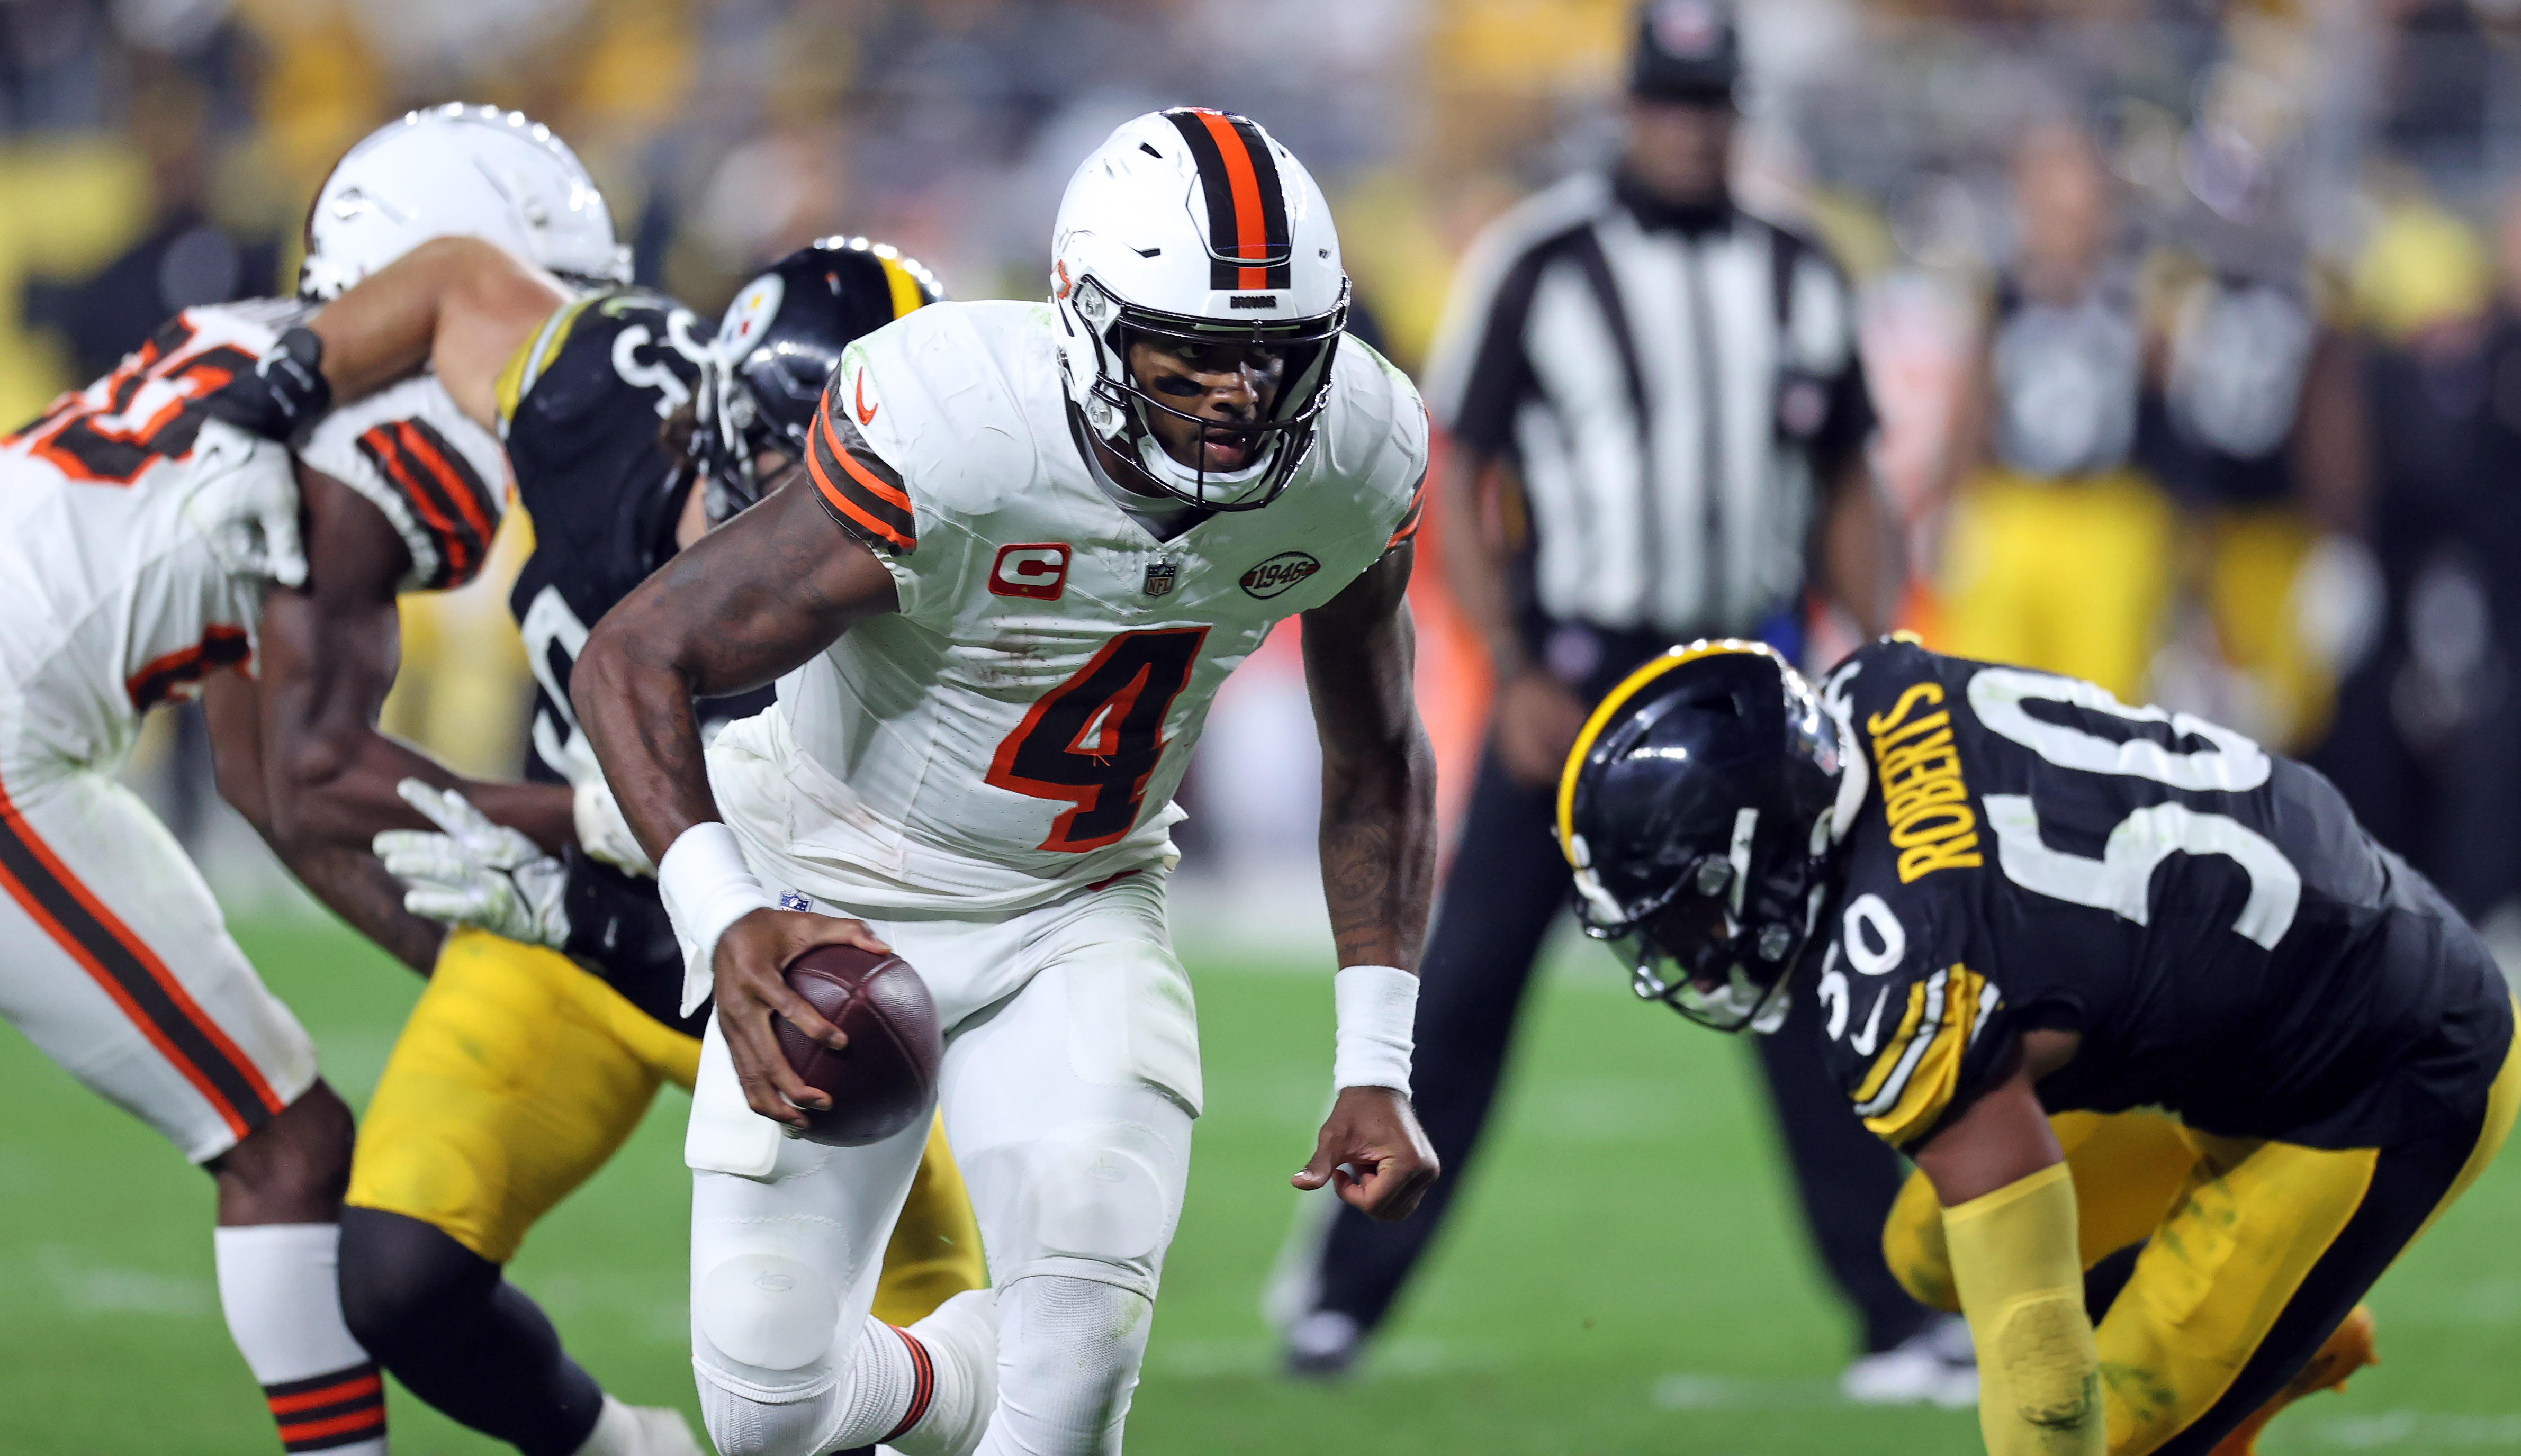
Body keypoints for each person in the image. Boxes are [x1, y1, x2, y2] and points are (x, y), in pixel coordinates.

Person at [569, 108, 1440, 1456]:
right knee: (766, 1413)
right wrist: (727, 911)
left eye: (1272, 359)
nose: (1237, 398)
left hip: (1074, 907)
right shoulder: (958, 430)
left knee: (1075, 1374)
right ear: (1084, 320)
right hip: (829, 887)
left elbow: (1377, 752)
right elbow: (638, 653)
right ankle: (986, 1374)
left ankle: (1041, 1378)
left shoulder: (1350, 462)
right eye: (1193, 355)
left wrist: (1375, 1057)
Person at [215, 108, 987, 1456]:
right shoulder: (599, 396)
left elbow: (770, 846)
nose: (824, 533)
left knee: (946, 1371)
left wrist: (549, 842)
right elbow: (455, 275)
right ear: (712, 420)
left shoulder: (921, 613)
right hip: (572, 935)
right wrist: (267, 401)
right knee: (398, 1275)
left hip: (783, 962)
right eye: (809, 479)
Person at [1275, 0, 1938, 1397]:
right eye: (1669, 103)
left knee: (1807, 999)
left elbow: (1846, 486)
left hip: (1743, 689)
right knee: (1463, 991)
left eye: (1711, 105)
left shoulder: (1802, 269)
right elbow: (1461, 479)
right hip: (1575, 679)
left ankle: (1894, 1313)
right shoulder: (1542, 260)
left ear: (1735, 113)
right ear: (1629, 110)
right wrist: (1508, 667)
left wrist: (1873, 657)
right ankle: (1341, 1288)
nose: (1690, 128)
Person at [1557, 634, 2514, 1455]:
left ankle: (2266, 1329)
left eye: (1686, 913)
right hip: (2301, 958)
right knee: (1926, 1250)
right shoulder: (1875, 689)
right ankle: (2283, 1326)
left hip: (2385, 1073)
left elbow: (2041, 1374)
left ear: (1756, 846)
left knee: (2108, 1429)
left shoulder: (1908, 972)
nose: (1691, 946)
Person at [0, 170, 545, 1456]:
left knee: (290, 1134)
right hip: (11, 748)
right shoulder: (379, 437)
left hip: (40, 736)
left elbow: (260, 785)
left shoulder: (239, 346)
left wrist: (478, 976)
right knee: (285, 1145)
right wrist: (580, 837)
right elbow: (313, 774)